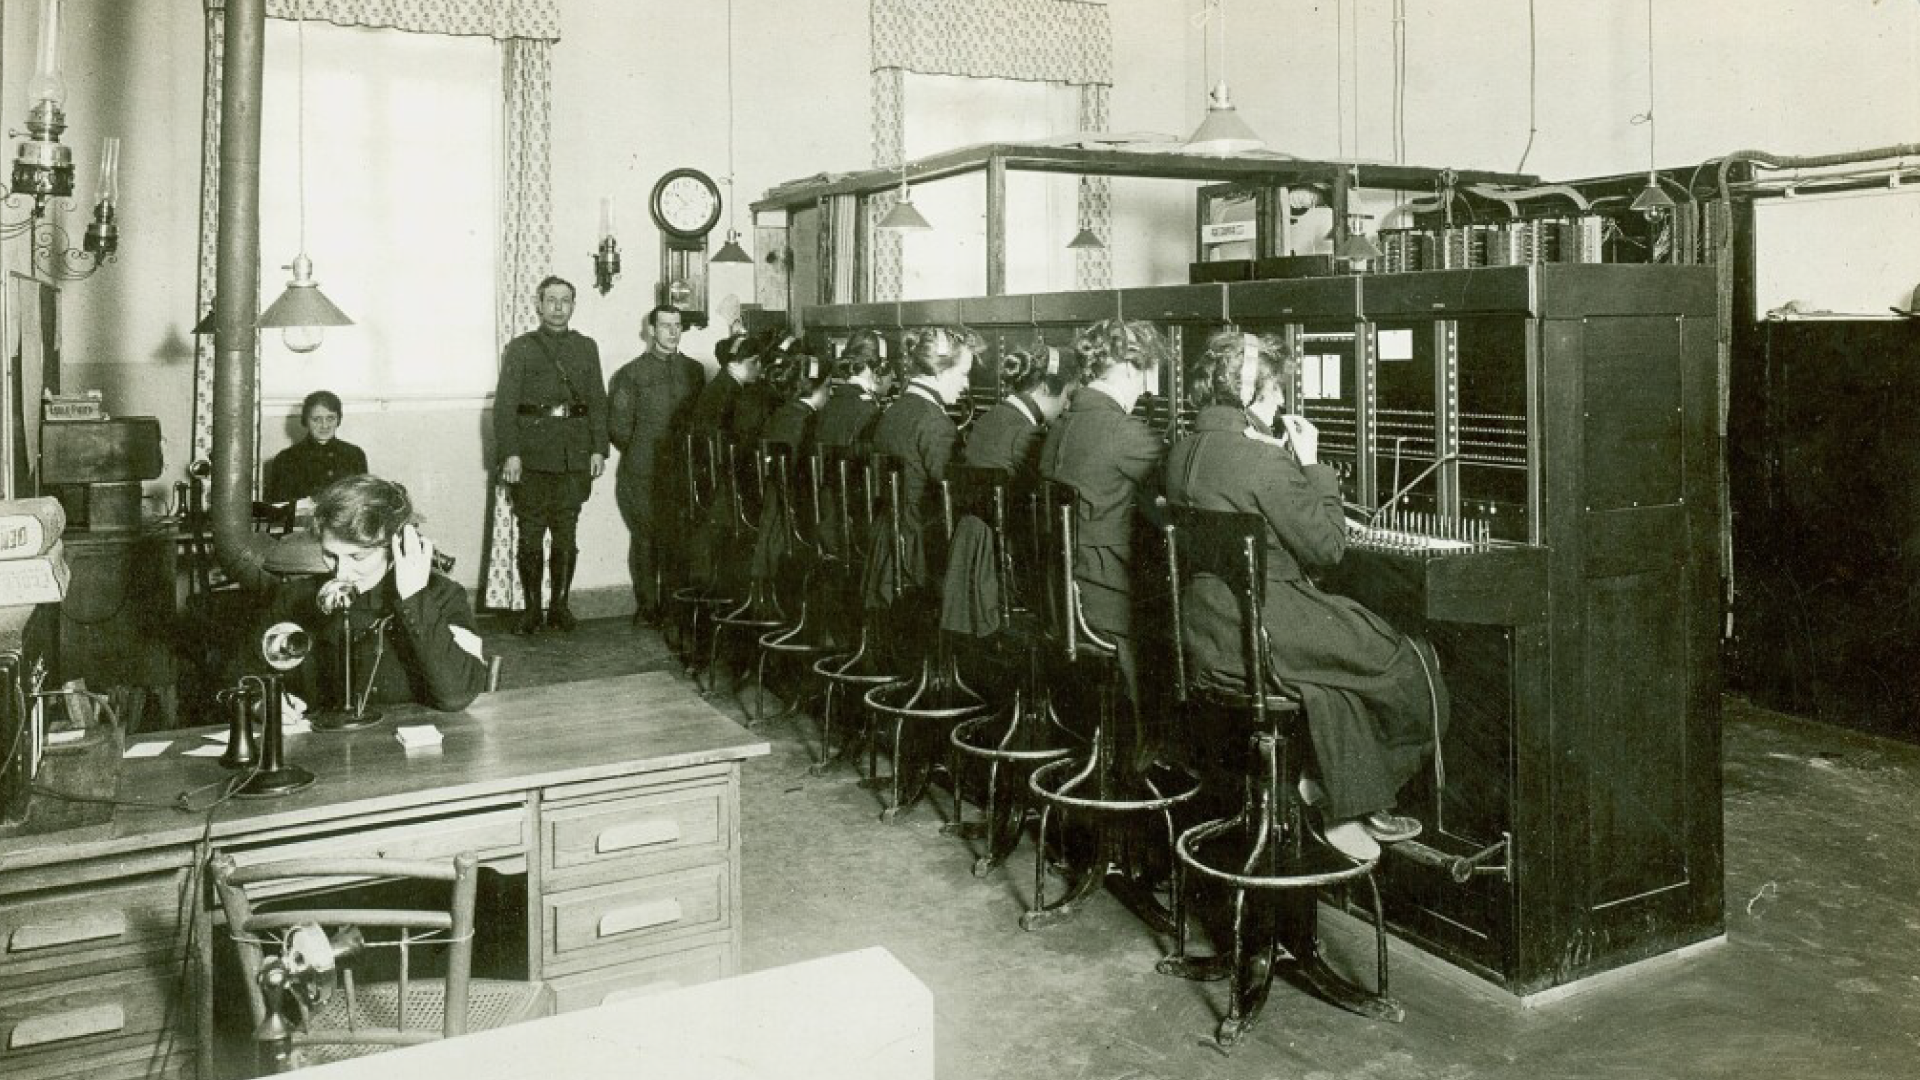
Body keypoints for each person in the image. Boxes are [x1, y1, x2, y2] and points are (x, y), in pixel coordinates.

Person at [1164, 329, 1444, 862]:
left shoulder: (1179, 453)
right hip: (1270, 627)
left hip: (1208, 633)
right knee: (1412, 662)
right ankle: (1340, 794)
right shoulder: (1266, 464)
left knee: (1330, 687)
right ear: (1249, 396)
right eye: (1273, 393)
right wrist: (1310, 464)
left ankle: (1340, 795)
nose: (1281, 404)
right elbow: (1328, 549)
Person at [264, 476, 488, 713]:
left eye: (357, 557)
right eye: (330, 555)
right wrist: (263, 703)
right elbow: (243, 674)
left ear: (396, 548)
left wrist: (415, 598)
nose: (341, 572)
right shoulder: (295, 597)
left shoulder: (443, 596)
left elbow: (458, 695)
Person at [1036, 317, 1168, 688]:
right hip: (1104, 598)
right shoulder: (1121, 432)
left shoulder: (1060, 426)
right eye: (1144, 377)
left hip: (1060, 593)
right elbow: (1184, 481)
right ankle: (1149, 740)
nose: (1144, 391)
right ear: (1128, 367)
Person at [494, 275, 608, 635]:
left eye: (565, 301)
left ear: (573, 306)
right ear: (538, 305)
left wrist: (598, 449)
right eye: (551, 300)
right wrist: (511, 454)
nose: (558, 307)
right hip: (531, 458)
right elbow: (505, 407)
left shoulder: (586, 347)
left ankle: (559, 606)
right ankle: (531, 611)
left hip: (573, 458)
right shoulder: (521, 348)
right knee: (529, 534)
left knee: (566, 533)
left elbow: (597, 402)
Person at [861, 325, 975, 613]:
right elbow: (955, 495)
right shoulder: (935, 423)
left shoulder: (893, 412)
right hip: (917, 552)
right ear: (940, 372)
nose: (966, 386)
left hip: (887, 543)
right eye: (963, 374)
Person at [608, 304, 706, 623]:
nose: (672, 332)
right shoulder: (631, 374)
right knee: (646, 539)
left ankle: (674, 606)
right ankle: (648, 606)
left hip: (682, 471)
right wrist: (647, 451)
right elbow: (619, 429)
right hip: (643, 472)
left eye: (677, 325)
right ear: (651, 330)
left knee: (677, 539)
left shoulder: (694, 370)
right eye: (665, 326)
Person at [265, 390, 368, 504]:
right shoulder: (286, 459)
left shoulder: (355, 455)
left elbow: (364, 503)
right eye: (317, 419)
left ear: (338, 419)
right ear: (305, 421)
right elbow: (280, 509)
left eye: (330, 418)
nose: (324, 425)